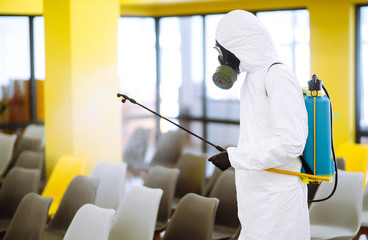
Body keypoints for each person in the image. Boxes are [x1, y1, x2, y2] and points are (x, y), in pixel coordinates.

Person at [208, 10, 310, 240]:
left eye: (221, 50)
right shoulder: (253, 77)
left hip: (278, 201)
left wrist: (235, 158)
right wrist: (236, 154)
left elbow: (291, 143)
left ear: (238, 45)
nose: (221, 58)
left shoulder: (277, 74)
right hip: (257, 198)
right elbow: (259, 138)